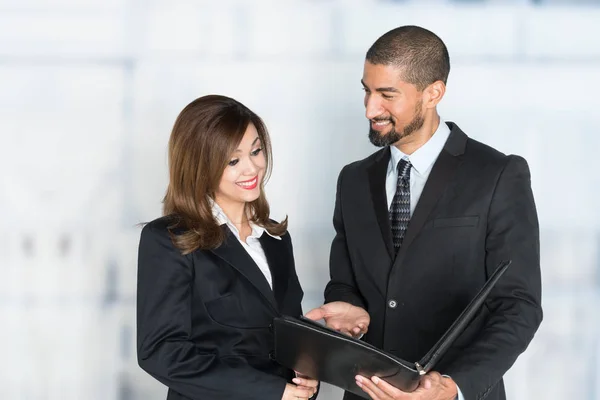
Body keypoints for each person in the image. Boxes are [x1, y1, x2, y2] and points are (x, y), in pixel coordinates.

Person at [305, 25, 542, 400]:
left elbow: (518, 306)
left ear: (433, 93)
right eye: (366, 91)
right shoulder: (352, 180)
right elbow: (345, 281)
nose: (370, 108)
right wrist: (350, 309)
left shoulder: (498, 175)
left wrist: (455, 386)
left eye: (387, 94)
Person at [136, 95, 318, 400]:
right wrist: (274, 391)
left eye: (256, 151)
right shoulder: (169, 239)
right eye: (233, 161)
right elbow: (161, 351)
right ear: (200, 166)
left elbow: (289, 336)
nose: (252, 168)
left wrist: (308, 375)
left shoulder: (275, 239)